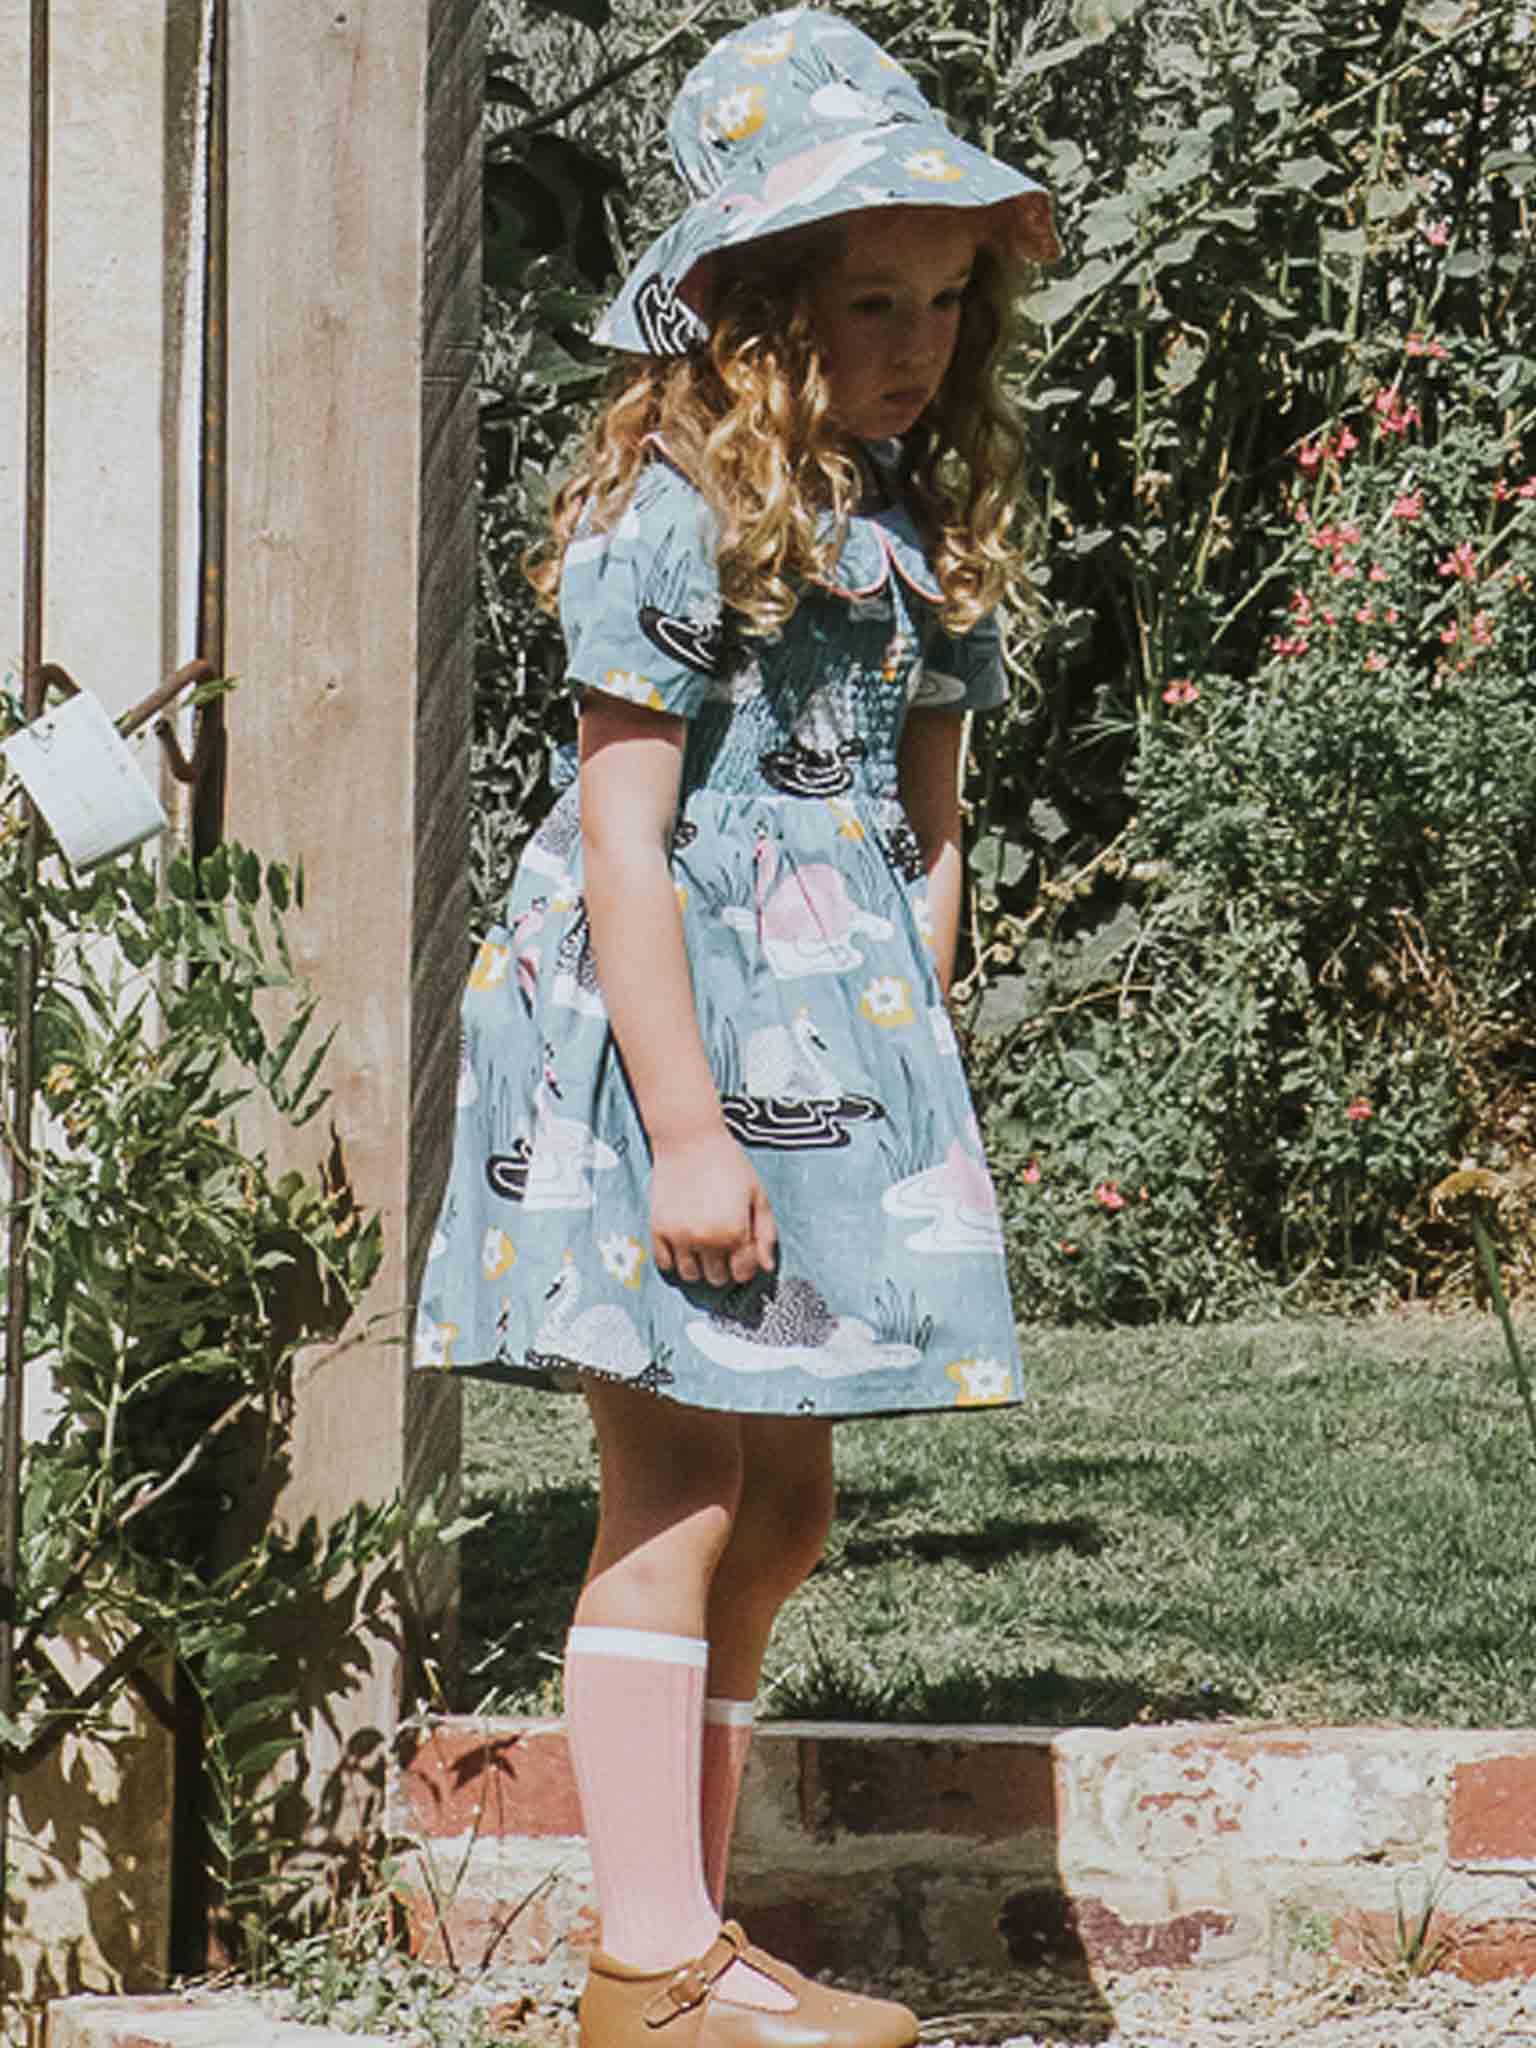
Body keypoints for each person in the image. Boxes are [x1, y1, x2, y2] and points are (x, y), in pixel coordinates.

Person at [415, 11, 1058, 2046]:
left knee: (786, 1510)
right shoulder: (672, 522)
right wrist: (690, 1128)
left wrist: (900, 1090)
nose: (918, 340)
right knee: (678, 1493)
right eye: (871, 298)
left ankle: (690, 1934)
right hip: (651, 1049)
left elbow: (928, 841)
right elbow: (623, 852)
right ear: (753, 311)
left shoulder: (905, 533)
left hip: (822, 1072)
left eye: (946, 298)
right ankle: (646, 1959)